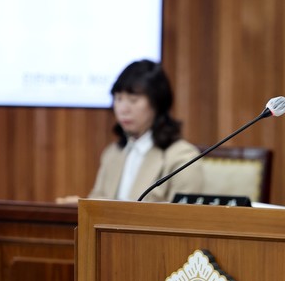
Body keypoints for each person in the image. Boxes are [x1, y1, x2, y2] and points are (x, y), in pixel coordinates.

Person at [86, 59, 204, 202]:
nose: (123, 109)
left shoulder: (182, 158)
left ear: (157, 103)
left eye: (133, 100)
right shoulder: (112, 153)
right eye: (118, 99)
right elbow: (95, 203)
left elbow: (184, 213)